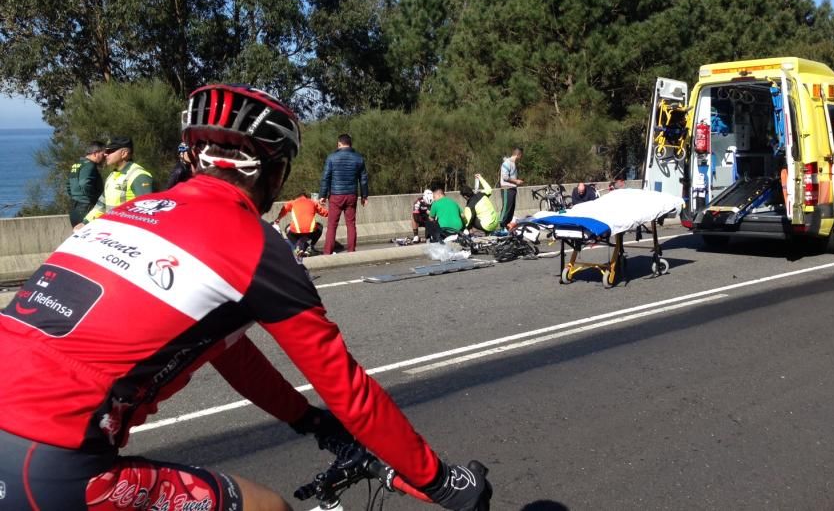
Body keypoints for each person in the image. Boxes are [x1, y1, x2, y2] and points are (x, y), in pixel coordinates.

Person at [0, 84, 491, 511]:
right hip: (49, 465)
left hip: (27, 443)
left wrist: (309, 420)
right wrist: (443, 483)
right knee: (268, 507)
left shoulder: (127, 212)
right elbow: (348, 389)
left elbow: (228, 351)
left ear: (190, 156)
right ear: (273, 173)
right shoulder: (256, 247)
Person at [74, 136, 154, 230]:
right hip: (113, 232)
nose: (105, 154)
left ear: (124, 153)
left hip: (129, 234)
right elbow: (102, 204)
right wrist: (85, 222)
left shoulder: (139, 176)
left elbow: (148, 213)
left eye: (110, 151)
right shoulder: (112, 176)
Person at [319, 134, 369, 254]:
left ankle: (327, 252)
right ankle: (351, 250)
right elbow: (363, 179)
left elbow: (326, 177)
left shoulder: (331, 158)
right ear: (350, 144)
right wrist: (364, 196)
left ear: (339, 144)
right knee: (351, 224)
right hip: (351, 195)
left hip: (336, 195)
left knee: (332, 225)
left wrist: (323, 195)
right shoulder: (358, 158)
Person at [275, 191, 329, 256]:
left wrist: (278, 219)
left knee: (287, 228)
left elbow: (284, 210)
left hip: (296, 231)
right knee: (320, 226)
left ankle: (297, 247)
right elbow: (325, 213)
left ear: (297, 197)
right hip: (311, 231)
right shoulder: (313, 202)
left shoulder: (292, 202)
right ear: (306, 197)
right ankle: (310, 247)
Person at [67, 141, 105, 227]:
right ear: (95, 153)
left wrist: (76, 196)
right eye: (102, 155)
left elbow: (68, 185)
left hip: (74, 208)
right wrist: (95, 200)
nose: (104, 158)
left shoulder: (76, 165)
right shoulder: (90, 165)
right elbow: (85, 184)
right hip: (86, 208)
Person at [498, 146, 524, 228]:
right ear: (518, 155)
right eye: (521, 156)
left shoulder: (513, 164)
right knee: (506, 209)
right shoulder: (507, 163)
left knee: (511, 210)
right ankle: (501, 226)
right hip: (507, 189)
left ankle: (506, 226)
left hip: (512, 189)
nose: (521, 158)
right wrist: (516, 181)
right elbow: (505, 177)